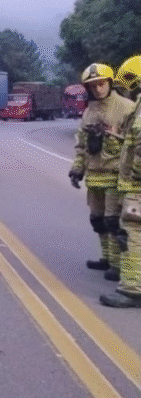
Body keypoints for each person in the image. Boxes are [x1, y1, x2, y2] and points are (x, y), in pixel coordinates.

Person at [69, 63, 136, 281]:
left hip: (116, 175)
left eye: (101, 84)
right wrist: (77, 168)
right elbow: (82, 144)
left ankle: (117, 265)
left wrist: (115, 134)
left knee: (113, 221)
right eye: (93, 86)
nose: (98, 89)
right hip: (94, 176)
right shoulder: (89, 112)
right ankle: (106, 258)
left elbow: (134, 142)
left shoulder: (127, 108)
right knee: (97, 220)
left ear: (110, 83)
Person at [101, 56, 141, 307]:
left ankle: (131, 290)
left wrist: (135, 174)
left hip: (137, 187)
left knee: (132, 234)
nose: (128, 89)